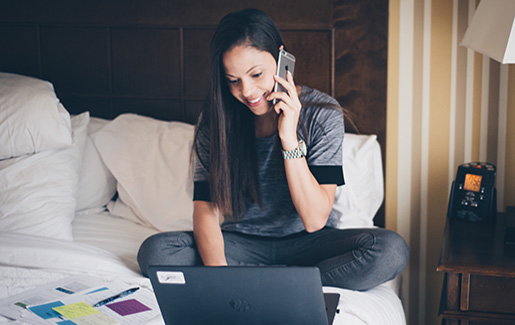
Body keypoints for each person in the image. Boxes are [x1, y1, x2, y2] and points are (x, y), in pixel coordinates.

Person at [137, 8, 408, 291]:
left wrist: (288, 137)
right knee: (155, 253)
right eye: (233, 81)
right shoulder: (216, 119)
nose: (248, 91)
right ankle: (287, 281)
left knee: (390, 251)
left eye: (256, 74)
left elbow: (315, 220)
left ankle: (275, 281)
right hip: (242, 243)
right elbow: (204, 210)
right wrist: (220, 279)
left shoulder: (323, 114)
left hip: (309, 244)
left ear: (281, 59)